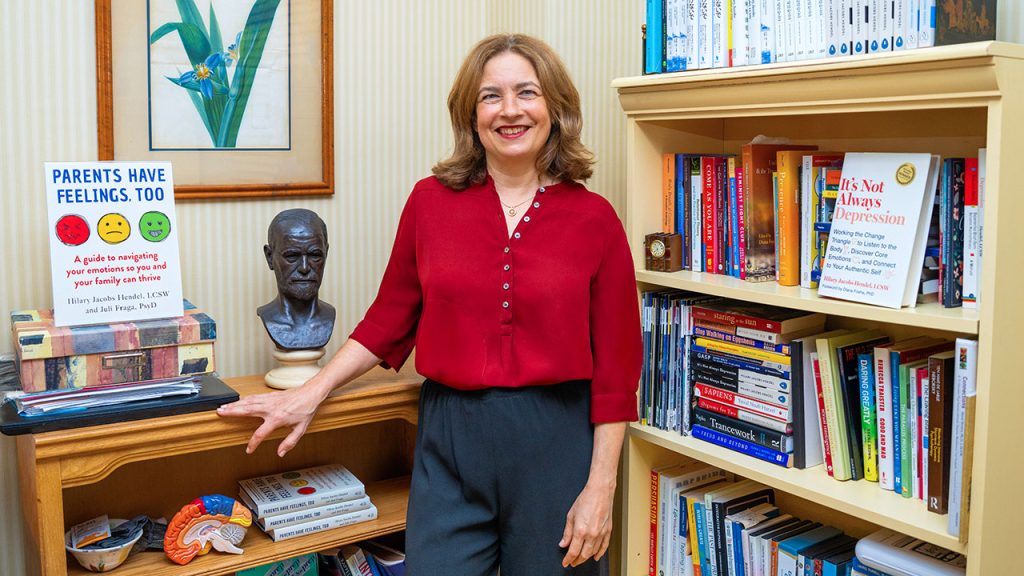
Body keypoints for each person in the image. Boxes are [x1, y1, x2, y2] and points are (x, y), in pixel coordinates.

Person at [218, 33, 641, 575]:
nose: (510, 111)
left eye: (526, 93)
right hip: (450, 440)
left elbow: (617, 368)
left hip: (556, 444)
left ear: (555, 108)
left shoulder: (595, 218)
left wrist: (600, 488)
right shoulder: (429, 202)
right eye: (491, 96)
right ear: (470, 113)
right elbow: (389, 318)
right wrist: (308, 392)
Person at [257, 209, 336, 350]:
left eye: (315, 255)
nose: (304, 268)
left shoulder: (328, 317)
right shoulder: (270, 319)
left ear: (326, 253)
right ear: (270, 257)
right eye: (292, 256)